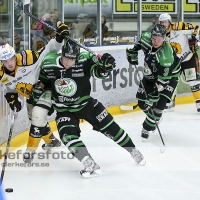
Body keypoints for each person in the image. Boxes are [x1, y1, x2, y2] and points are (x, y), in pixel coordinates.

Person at [33, 39, 146, 178]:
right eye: (66, 58)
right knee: (67, 137)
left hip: (86, 104)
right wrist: (38, 95)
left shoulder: (84, 60)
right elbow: (44, 81)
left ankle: (133, 151)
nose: (68, 62)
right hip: (64, 110)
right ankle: (89, 163)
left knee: (111, 128)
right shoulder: (49, 62)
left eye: (72, 59)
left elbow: (99, 73)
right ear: (61, 54)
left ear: (77, 57)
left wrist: (106, 67)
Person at [0, 22, 69, 163]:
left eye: (11, 58)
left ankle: (30, 151)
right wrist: (13, 99)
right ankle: (52, 141)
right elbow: (10, 87)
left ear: (15, 56)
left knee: (38, 116)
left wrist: (59, 39)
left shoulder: (28, 58)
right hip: (31, 95)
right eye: (5, 61)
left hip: (46, 87)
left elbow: (47, 50)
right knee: (35, 120)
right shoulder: (1, 74)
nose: (10, 63)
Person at [126, 24, 181, 140]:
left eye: (159, 39)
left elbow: (163, 82)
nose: (156, 41)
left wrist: (153, 94)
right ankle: (156, 118)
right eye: (154, 38)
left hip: (170, 77)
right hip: (151, 73)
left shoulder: (166, 56)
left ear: (164, 38)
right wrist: (132, 53)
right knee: (142, 101)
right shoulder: (146, 38)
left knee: (158, 105)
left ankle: (147, 127)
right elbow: (137, 46)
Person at [159, 13, 200, 112]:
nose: (163, 24)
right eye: (162, 22)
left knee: (193, 81)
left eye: (165, 22)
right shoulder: (160, 33)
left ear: (170, 22)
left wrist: (194, 38)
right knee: (171, 82)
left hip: (188, 58)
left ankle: (199, 102)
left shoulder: (179, 26)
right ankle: (170, 101)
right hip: (175, 62)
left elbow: (196, 28)